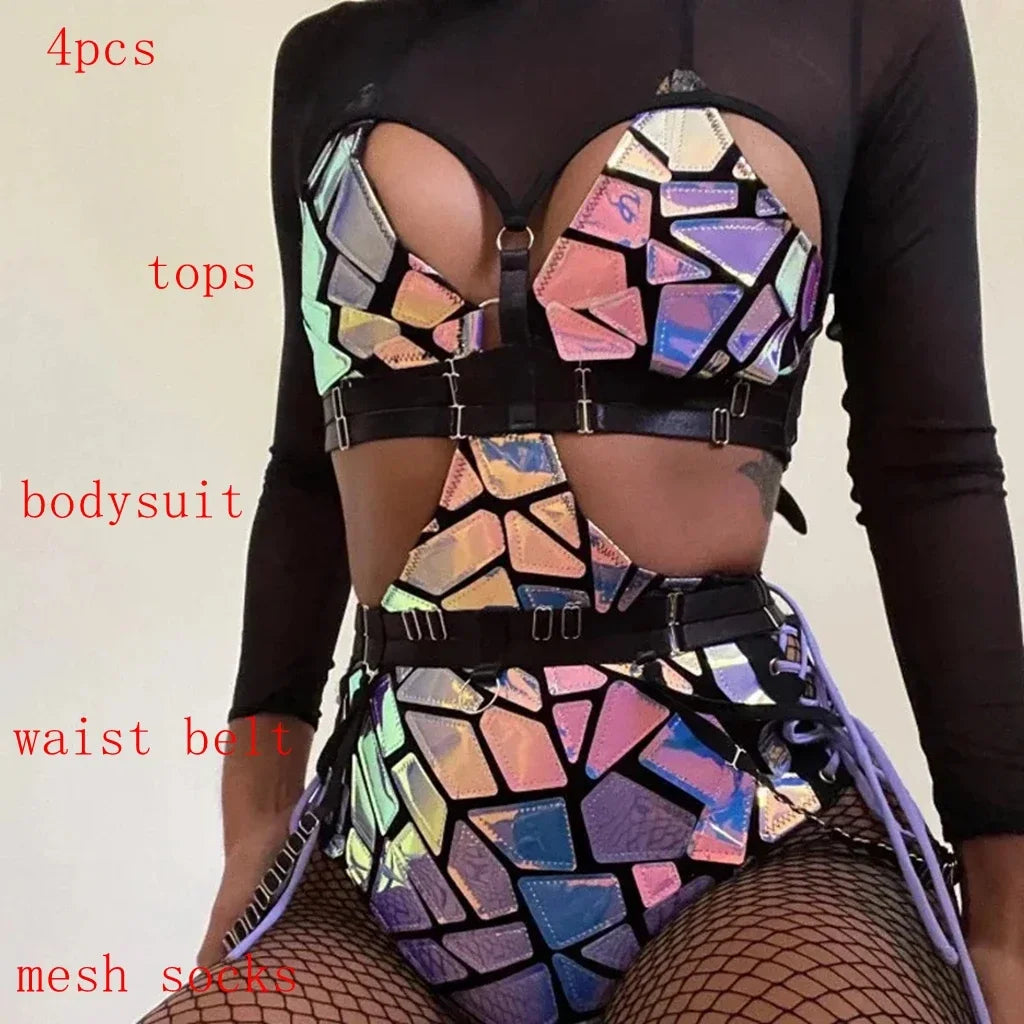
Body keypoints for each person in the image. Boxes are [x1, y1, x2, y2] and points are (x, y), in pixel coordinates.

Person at [138, 0, 1024, 1021]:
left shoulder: (865, 22)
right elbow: (305, 474)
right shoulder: (328, 60)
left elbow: (930, 474)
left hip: (745, 839)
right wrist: (253, 826)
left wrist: (1006, 919)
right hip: (390, 855)